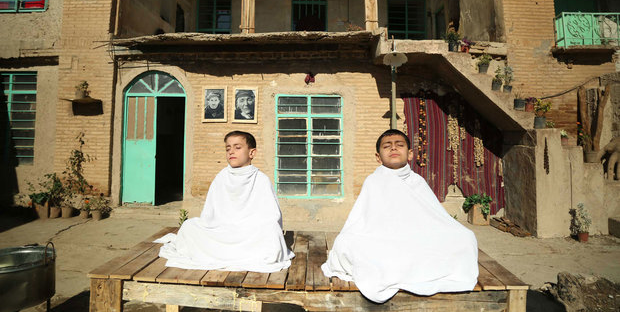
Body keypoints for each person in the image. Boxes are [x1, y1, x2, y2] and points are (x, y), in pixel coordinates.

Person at [321, 129, 479, 303]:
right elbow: (364, 221)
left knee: (465, 237)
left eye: (400, 145)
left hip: (417, 235)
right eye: (387, 146)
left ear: (410, 154)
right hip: (382, 237)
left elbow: (434, 217)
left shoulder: (418, 181)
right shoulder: (373, 182)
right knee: (346, 243)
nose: (393, 149)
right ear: (378, 157)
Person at [157, 131, 294, 272]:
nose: (231, 152)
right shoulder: (222, 177)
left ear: (252, 153)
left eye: (237, 147)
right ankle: (231, 251)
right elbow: (210, 213)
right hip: (222, 229)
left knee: (271, 231)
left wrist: (250, 225)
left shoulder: (261, 179)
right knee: (189, 226)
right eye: (228, 148)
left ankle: (225, 252)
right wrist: (220, 225)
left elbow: (271, 215)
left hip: (249, 232)